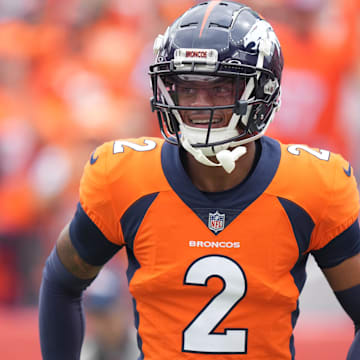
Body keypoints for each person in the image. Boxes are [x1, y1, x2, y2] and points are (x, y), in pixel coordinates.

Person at [38, 1, 360, 359]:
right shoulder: (124, 176)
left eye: (220, 89)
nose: (199, 105)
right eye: (187, 88)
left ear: (262, 93)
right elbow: (61, 282)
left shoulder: (312, 185)